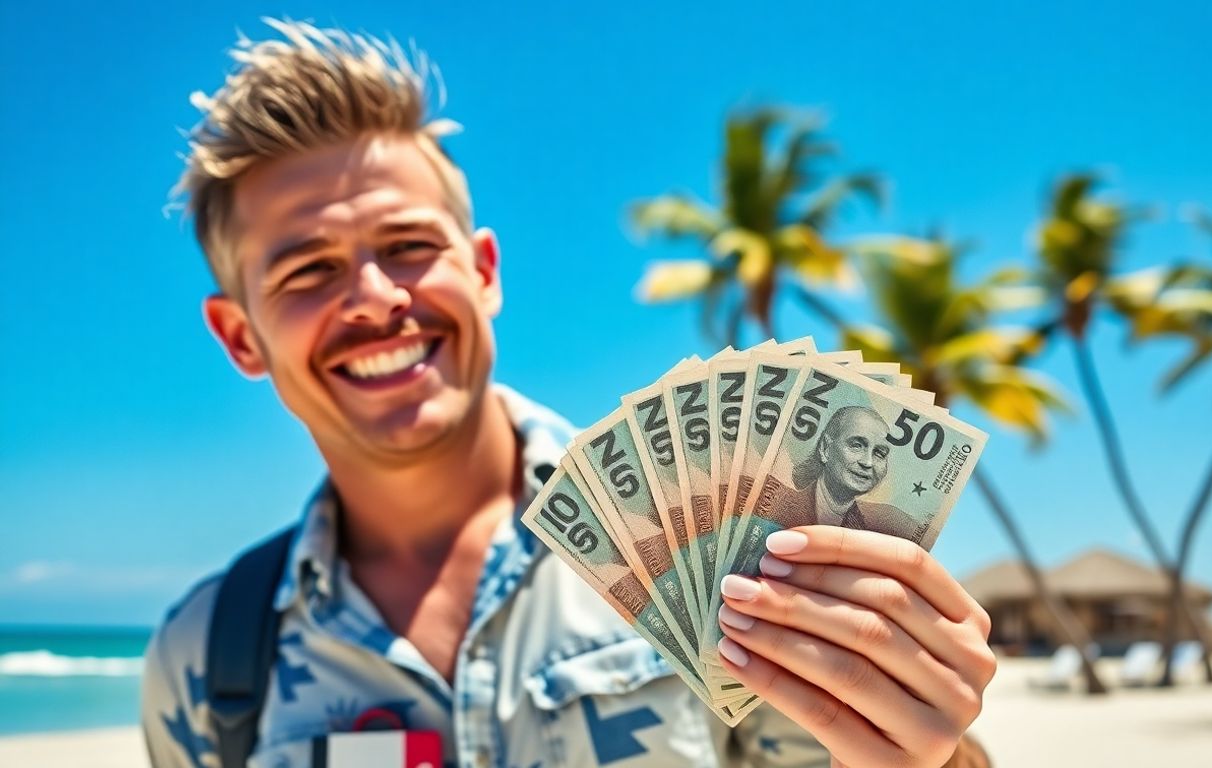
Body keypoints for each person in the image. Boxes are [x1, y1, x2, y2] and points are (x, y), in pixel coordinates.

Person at [141, 19, 995, 768]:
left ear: (483, 273)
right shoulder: (208, 658)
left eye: (406, 244)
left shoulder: (729, 540)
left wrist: (928, 756)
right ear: (240, 336)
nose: (374, 297)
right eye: (309, 269)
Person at [758, 406, 928, 540]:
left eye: (879, 453)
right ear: (825, 448)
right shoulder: (766, 501)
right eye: (856, 445)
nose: (867, 462)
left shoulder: (869, 531)